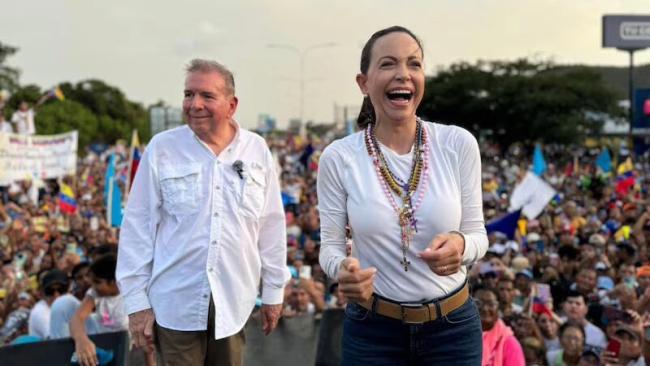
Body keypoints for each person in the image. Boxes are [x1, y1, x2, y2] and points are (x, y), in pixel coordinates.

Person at [318, 26, 488, 364]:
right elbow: (330, 248)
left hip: (452, 331)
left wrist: (461, 246)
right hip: (372, 333)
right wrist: (344, 271)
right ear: (363, 83)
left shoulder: (458, 144)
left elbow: (478, 235)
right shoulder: (339, 157)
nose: (403, 75)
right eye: (388, 64)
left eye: (414, 64)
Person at [117, 59, 290, 366]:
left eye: (207, 96)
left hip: (235, 300)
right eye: (188, 94)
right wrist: (136, 303)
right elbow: (137, 228)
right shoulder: (162, 148)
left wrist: (274, 290)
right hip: (175, 303)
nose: (194, 104)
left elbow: (271, 225)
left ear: (232, 104)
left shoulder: (257, 150)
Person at [475, 286, 526, 366]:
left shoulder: (509, 344)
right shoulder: (460, 337)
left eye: (491, 304)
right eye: (478, 303)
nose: (485, 308)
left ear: (498, 309)